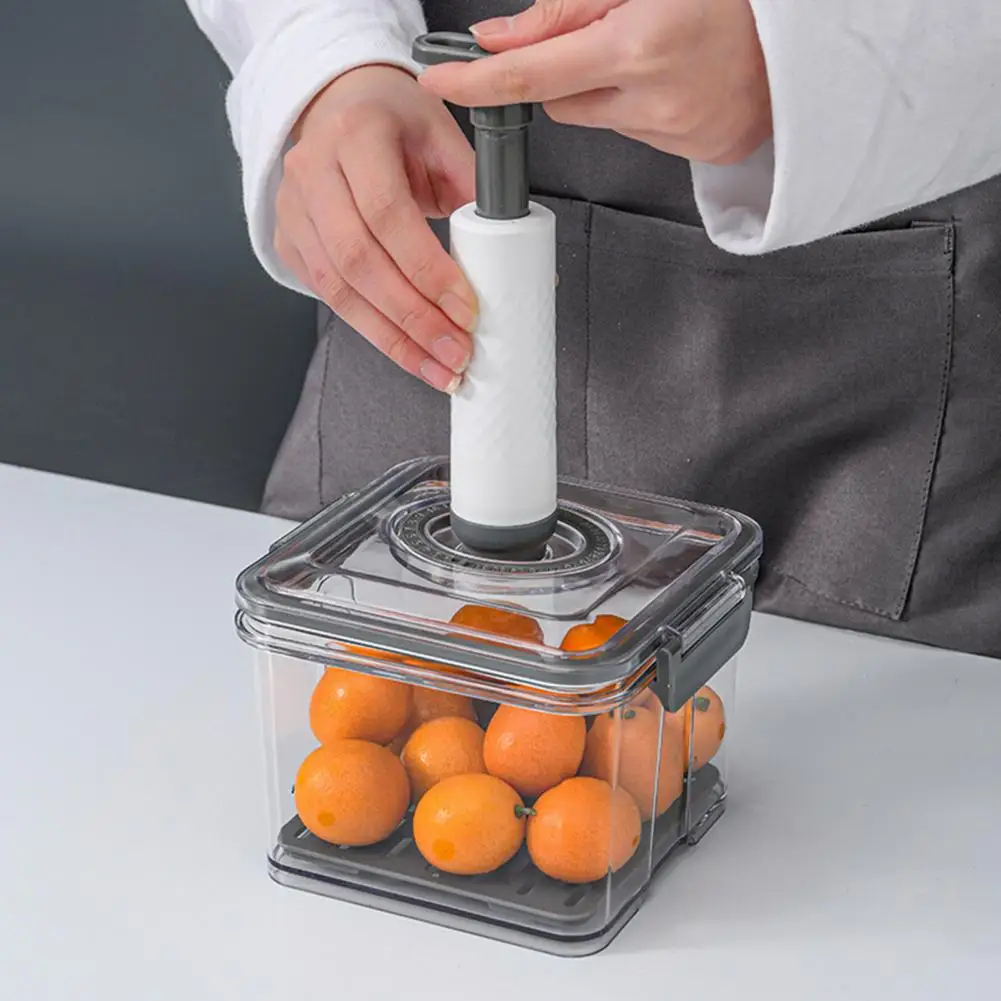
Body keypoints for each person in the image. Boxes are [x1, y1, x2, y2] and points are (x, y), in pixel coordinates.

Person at [184, 0, 1001, 659]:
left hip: (863, 462)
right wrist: (327, 53)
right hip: (398, 409)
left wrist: (817, 51)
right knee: (371, 751)